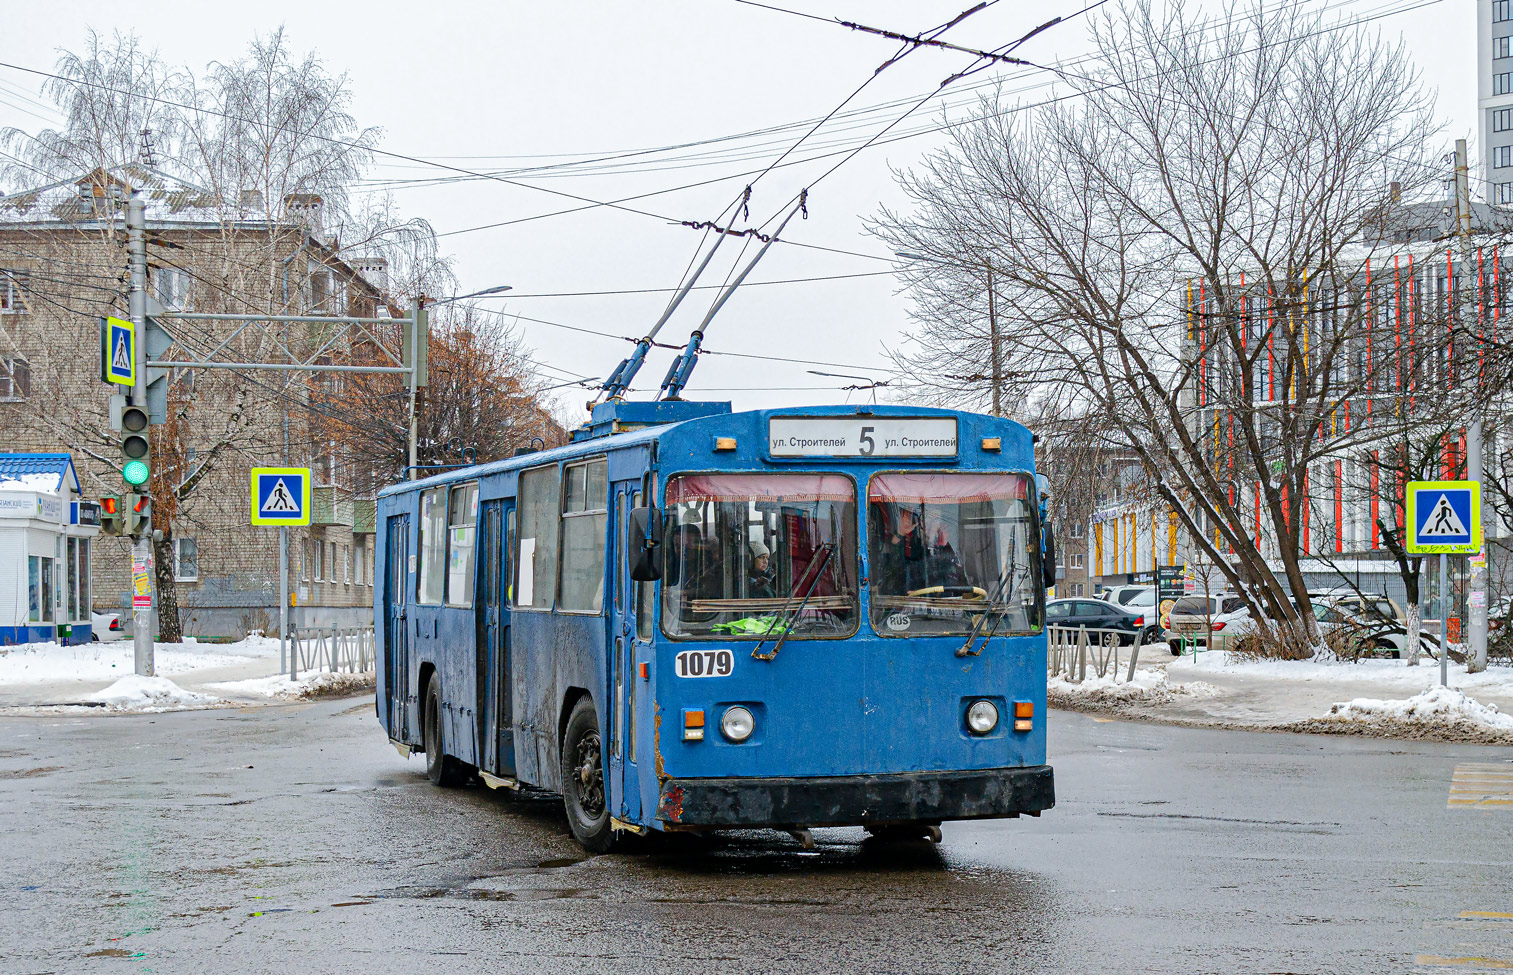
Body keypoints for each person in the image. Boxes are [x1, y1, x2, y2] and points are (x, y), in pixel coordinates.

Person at [873, 505, 928, 593]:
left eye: (912, 515)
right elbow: (889, 568)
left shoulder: (922, 544)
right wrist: (900, 533)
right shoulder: (886, 540)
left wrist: (939, 542)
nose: (909, 519)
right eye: (906, 514)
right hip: (895, 598)